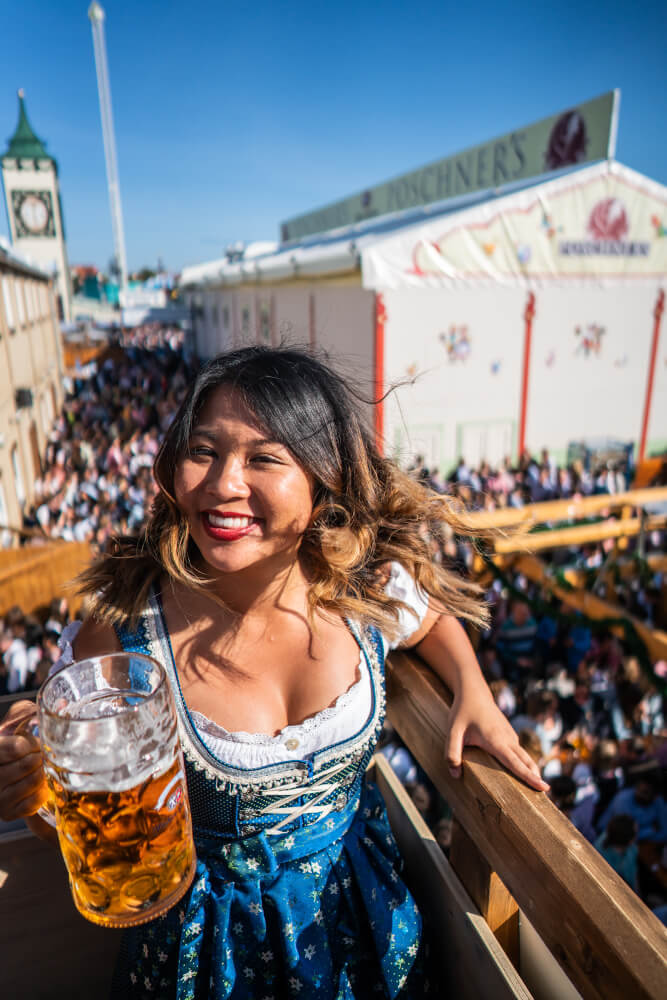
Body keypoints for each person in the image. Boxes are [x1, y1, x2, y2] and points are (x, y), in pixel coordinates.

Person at [0, 346, 546, 999]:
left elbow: (429, 620)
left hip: (367, 929)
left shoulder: (362, 592)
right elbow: (74, 814)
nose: (223, 483)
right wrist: (27, 784)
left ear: (323, 481)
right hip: (208, 956)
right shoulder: (123, 638)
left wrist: (472, 691)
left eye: (262, 458)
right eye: (203, 451)